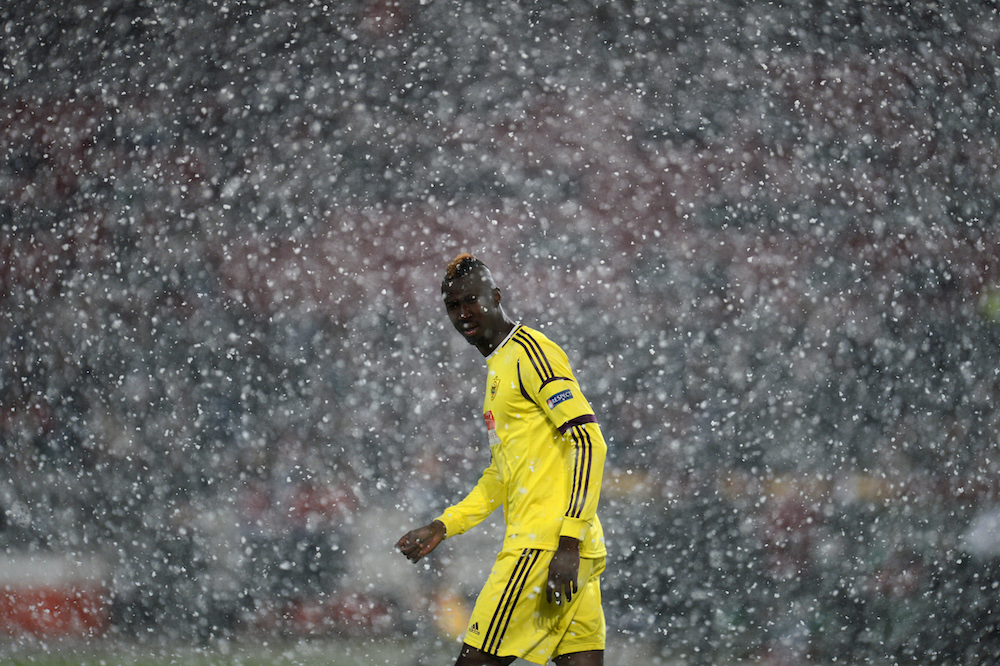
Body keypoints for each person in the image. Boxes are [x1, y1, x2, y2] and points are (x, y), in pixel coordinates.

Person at [397, 253, 608, 666]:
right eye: (453, 306)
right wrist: (445, 524)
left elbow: (588, 440)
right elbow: (502, 474)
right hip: (570, 547)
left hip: (543, 548)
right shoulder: (498, 370)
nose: (463, 314)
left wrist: (566, 541)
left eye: (471, 300)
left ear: (495, 297)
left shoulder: (531, 354)